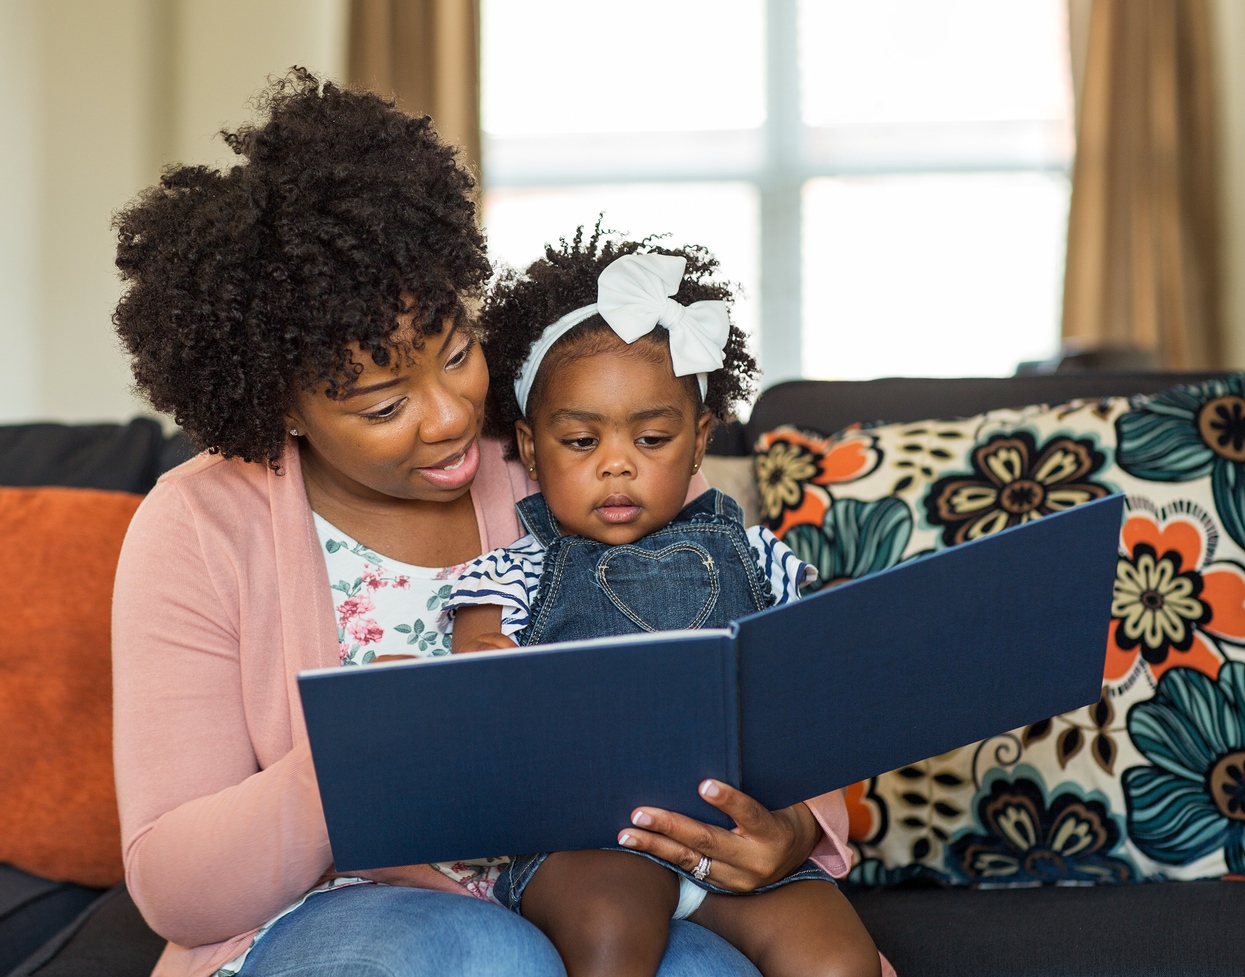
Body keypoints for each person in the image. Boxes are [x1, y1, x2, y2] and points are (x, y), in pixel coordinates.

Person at [109, 69, 879, 977]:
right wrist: (350, 758)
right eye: (384, 402)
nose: (447, 415)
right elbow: (176, 886)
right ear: (282, 407)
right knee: (484, 953)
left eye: (459, 353)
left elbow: (747, 673)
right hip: (341, 916)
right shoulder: (199, 524)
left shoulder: (569, 455)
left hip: (611, 884)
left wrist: (785, 828)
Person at [446, 229, 890, 977]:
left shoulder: (757, 555)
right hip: (590, 842)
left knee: (839, 961)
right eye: (581, 441)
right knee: (610, 931)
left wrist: (852, 625)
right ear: (528, 447)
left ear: (697, 441)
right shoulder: (516, 570)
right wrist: (486, 665)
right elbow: (470, 676)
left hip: (733, 835)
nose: (616, 463)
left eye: (651, 437)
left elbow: (817, 655)